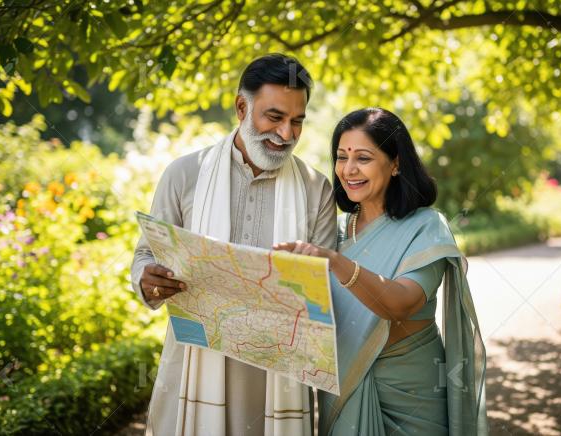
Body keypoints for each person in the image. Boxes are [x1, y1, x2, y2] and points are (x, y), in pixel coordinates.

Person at [130, 53, 337, 436]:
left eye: (297, 121)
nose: (286, 134)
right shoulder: (185, 174)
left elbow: (326, 287)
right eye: (274, 117)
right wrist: (146, 279)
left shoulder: (317, 190)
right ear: (242, 107)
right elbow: (147, 253)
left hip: (276, 380)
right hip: (193, 365)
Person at [274, 108, 488, 435]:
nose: (349, 169)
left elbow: (402, 303)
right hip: (346, 390)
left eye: (363, 158)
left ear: (396, 163)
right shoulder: (334, 231)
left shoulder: (426, 227)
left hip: (413, 395)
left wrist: (336, 262)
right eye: (342, 157)